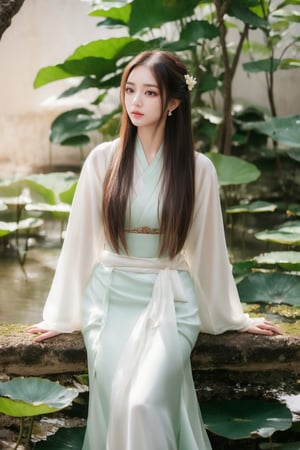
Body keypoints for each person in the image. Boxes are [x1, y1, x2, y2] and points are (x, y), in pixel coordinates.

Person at [27, 50, 281, 450]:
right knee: (121, 401)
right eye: (130, 90)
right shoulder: (102, 161)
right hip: (110, 298)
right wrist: (60, 315)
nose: (136, 102)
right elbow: (79, 244)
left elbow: (210, 252)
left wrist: (232, 317)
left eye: (149, 93)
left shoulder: (199, 170)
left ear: (174, 102)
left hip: (170, 299)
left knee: (144, 402)